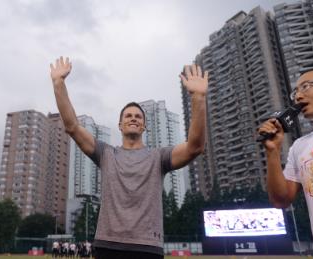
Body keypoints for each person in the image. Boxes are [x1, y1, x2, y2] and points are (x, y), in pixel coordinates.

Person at [50, 57, 208, 259]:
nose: (133, 118)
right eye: (128, 116)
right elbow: (72, 126)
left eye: (138, 116)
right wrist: (58, 84)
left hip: (147, 247)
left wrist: (198, 98)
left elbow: (195, 147)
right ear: (120, 125)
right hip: (107, 246)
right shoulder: (106, 154)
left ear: (144, 126)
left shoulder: (158, 157)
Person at [258, 68, 313, 259]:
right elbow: (280, 200)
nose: (298, 96)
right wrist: (272, 152)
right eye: (295, 92)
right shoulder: (299, 146)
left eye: (306, 86)